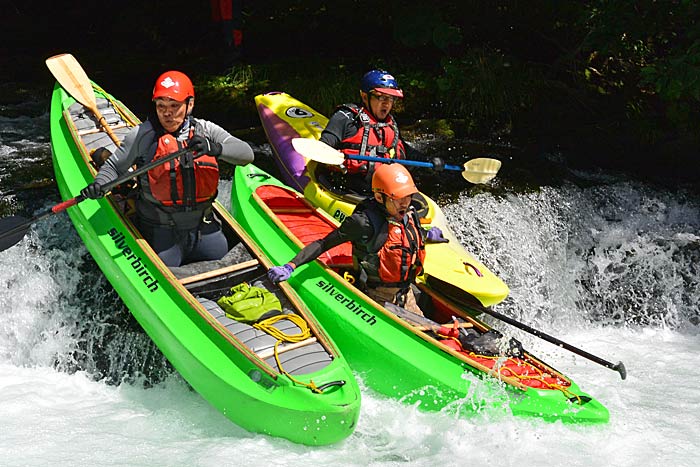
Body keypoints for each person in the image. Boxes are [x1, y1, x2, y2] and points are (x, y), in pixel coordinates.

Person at [81, 70, 254, 267]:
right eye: (161, 106)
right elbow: (114, 166)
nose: (167, 113)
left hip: (204, 228)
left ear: (190, 105)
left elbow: (247, 154)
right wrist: (99, 184)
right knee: (166, 266)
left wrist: (215, 148)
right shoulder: (143, 135)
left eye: (174, 106)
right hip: (161, 233)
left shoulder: (206, 130)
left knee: (223, 260)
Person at [267, 163, 446, 316]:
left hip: (405, 293)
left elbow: (410, 237)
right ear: (378, 197)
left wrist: (427, 234)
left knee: (431, 333)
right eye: (398, 198)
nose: (405, 203)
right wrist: (290, 266)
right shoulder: (363, 222)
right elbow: (324, 244)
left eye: (408, 196)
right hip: (375, 296)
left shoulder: (409, 213)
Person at [319, 69, 445, 194]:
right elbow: (323, 146)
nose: (387, 104)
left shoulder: (390, 124)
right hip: (347, 187)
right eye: (381, 97)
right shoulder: (346, 118)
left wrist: (428, 162)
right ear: (364, 96)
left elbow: (404, 150)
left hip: (380, 189)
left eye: (390, 98)